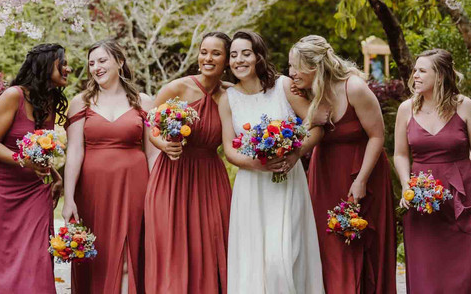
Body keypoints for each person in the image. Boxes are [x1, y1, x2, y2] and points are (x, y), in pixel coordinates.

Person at [219, 30, 324, 293]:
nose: (239, 60)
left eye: (246, 53)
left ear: (258, 57)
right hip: (252, 185)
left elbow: (317, 126)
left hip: (287, 179)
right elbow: (230, 151)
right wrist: (258, 165)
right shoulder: (227, 99)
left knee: (284, 255)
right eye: (233, 55)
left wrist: (295, 154)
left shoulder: (283, 86)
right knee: (254, 258)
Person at [291, 34, 396, 294]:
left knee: (361, 243)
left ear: (314, 67)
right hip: (325, 176)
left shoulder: (355, 88)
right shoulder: (308, 92)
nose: (291, 73)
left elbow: (377, 136)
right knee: (329, 245)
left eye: (295, 67)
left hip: (362, 172)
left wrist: (361, 180)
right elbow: (302, 134)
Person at [62, 40, 158, 293]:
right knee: (96, 256)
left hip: (135, 188)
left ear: (119, 62)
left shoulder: (143, 101)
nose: (96, 67)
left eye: (102, 61)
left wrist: (156, 194)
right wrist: (69, 197)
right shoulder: (81, 102)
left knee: (129, 256)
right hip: (93, 191)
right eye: (91, 63)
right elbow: (74, 151)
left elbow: (152, 154)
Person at [394, 49, 471, 294]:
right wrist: (406, 184)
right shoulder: (406, 109)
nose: (414, 75)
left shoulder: (464, 106)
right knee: (427, 270)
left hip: (461, 196)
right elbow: (401, 154)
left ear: (440, 76)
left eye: (422, 70)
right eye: (415, 70)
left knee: (464, 271)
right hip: (422, 201)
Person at [0, 43, 69, 294]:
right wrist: (26, 162)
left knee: (37, 255)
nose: (68, 69)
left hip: (35, 189)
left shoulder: (48, 101)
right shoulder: (13, 96)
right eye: (63, 63)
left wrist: (55, 175)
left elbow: (41, 150)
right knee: (2, 256)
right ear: (46, 65)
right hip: (4, 190)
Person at [144, 32, 233, 294]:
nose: (208, 58)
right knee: (172, 244)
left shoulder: (232, 94)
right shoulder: (177, 88)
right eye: (204, 51)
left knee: (209, 243)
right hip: (173, 174)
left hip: (210, 177)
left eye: (216, 53)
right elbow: (151, 126)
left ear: (226, 59)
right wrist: (163, 145)